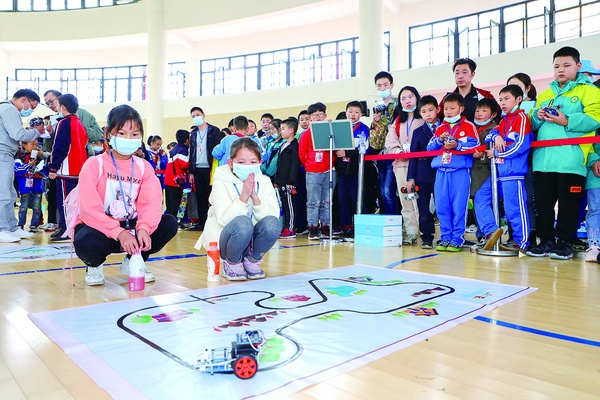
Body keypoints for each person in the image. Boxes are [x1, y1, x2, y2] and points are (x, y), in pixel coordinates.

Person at [73, 104, 178, 286]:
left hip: (133, 228)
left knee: (168, 223)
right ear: (108, 133)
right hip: (102, 230)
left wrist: (144, 228)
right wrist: (119, 233)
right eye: (121, 133)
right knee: (85, 239)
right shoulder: (94, 165)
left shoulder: (143, 166)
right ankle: (94, 265)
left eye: (135, 134)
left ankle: (133, 261)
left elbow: (151, 204)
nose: (128, 138)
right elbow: (89, 210)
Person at [527, 46, 600, 259]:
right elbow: (531, 124)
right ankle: (546, 241)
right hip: (543, 160)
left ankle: (565, 243)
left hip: (572, 158)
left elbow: (595, 118)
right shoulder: (545, 95)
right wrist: (537, 116)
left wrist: (566, 120)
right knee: (543, 203)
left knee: (569, 204)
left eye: (567, 65)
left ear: (578, 66)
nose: (561, 70)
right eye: (557, 66)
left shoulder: (590, 91)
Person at [194, 137, 280, 280]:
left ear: (260, 163)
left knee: (272, 223)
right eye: (241, 162)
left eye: (253, 162)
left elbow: (273, 215)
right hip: (227, 237)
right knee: (243, 222)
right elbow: (223, 219)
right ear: (230, 163)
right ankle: (231, 262)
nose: (247, 165)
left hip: (250, 238)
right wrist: (244, 197)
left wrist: (255, 198)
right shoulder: (221, 181)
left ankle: (251, 261)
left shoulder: (264, 181)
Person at [474, 85, 533, 252]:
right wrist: (497, 135)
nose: (503, 103)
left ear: (518, 99)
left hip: (512, 173)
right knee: (480, 198)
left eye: (507, 98)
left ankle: (521, 242)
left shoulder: (521, 118)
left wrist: (498, 153)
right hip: (497, 173)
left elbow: (521, 145)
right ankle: (491, 232)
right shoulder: (503, 120)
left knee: (514, 208)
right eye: (501, 99)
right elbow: (492, 134)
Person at [427, 93, 479, 252]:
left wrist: (456, 145)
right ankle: (445, 237)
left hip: (459, 172)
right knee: (442, 206)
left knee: (458, 206)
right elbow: (430, 148)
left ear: (461, 109)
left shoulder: (468, 126)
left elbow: (476, 147)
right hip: (441, 172)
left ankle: (457, 238)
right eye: (446, 109)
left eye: (452, 108)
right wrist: (438, 140)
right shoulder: (440, 127)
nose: (448, 112)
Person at [0, 89, 44, 242]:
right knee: (3, 193)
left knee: (10, 193)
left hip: (7, 155)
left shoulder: (8, 109)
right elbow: (18, 135)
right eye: (32, 106)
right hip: (2, 154)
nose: (30, 110)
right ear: (24, 99)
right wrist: (36, 132)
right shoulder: (9, 108)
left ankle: (12, 227)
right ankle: (2, 229)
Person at [385, 86, 425, 245]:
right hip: (401, 166)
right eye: (403, 98)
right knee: (406, 200)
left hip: (421, 166)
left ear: (416, 98)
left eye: (410, 97)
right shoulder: (396, 122)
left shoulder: (424, 118)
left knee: (422, 200)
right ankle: (412, 232)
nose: (407, 101)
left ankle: (426, 232)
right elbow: (390, 142)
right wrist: (398, 151)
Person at [48, 94, 88, 242]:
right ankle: (71, 227)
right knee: (75, 201)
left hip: (67, 171)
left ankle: (66, 228)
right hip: (79, 170)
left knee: (64, 201)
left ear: (63, 107)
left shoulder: (64, 123)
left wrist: (53, 167)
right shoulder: (79, 124)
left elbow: (59, 147)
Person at [507, 72, 538, 246]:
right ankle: (514, 234)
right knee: (512, 199)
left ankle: (530, 234)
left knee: (528, 198)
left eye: (517, 86)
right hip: (511, 162)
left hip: (530, 159)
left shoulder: (535, 107)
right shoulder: (505, 114)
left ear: (527, 89)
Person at [407, 95, 439, 249]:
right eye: (424, 111)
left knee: (443, 207)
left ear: (438, 110)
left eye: (431, 110)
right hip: (422, 176)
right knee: (424, 209)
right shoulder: (418, 131)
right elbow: (413, 156)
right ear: (420, 113)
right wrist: (410, 178)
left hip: (441, 173)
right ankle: (426, 238)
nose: (428, 114)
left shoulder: (446, 127)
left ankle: (448, 236)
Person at [335, 101, 370, 241]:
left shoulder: (364, 129)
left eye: (356, 112)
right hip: (342, 171)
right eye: (350, 111)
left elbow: (364, 149)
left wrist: (347, 153)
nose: (353, 115)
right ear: (346, 113)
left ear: (361, 114)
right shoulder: (340, 128)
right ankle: (346, 227)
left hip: (357, 171)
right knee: (343, 199)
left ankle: (360, 227)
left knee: (357, 199)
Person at [299, 102, 333, 240]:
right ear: (310, 117)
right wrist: (310, 165)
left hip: (329, 170)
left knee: (327, 201)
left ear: (325, 115)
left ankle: (326, 226)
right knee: (313, 201)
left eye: (320, 115)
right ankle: (313, 227)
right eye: (314, 115)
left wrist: (331, 165)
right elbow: (302, 154)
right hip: (313, 171)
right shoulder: (306, 134)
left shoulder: (330, 130)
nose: (318, 117)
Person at [189, 107, 224, 231]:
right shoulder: (193, 133)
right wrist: (191, 172)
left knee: (213, 195)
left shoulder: (213, 130)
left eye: (197, 115)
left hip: (210, 168)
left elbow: (218, 149)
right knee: (200, 196)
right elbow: (191, 152)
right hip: (197, 168)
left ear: (203, 115)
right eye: (193, 116)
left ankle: (214, 221)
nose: (196, 117)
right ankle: (201, 223)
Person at [470, 98, 499, 244]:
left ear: (493, 114)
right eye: (477, 110)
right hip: (475, 174)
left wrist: (483, 156)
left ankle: (490, 232)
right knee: (478, 203)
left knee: (481, 201)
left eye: (484, 110)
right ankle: (482, 236)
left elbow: (497, 152)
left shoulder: (495, 130)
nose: (479, 114)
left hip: (489, 173)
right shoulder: (471, 128)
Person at [369, 71, 399, 215]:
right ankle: (388, 222)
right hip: (380, 153)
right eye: (379, 85)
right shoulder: (377, 107)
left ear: (391, 85)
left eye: (385, 85)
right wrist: (376, 122)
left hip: (395, 154)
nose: (382, 88)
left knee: (388, 192)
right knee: (382, 192)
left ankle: (394, 222)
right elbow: (374, 138)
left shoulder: (399, 104)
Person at [43, 90, 103, 157]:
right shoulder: (51, 122)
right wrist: (49, 136)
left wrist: (79, 128)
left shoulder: (84, 114)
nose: (50, 105)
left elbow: (98, 135)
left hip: (84, 157)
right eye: (47, 104)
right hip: (64, 160)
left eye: (51, 102)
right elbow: (48, 149)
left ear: (60, 98)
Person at [438, 58, 496, 123]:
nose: (460, 76)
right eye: (457, 73)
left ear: (472, 74)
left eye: (464, 72)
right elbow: (437, 118)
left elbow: (498, 116)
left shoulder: (484, 95)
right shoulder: (447, 98)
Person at [274, 118, 301, 238]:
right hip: (281, 181)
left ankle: (290, 228)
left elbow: (295, 164)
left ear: (291, 130)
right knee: (284, 205)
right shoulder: (283, 145)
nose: (281, 131)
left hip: (289, 182)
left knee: (290, 205)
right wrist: (277, 180)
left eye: (283, 129)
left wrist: (291, 181)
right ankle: (285, 226)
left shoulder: (295, 145)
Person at [15, 139, 46, 232]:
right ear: (24, 145)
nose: (35, 147)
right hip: (25, 187)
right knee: (23, 207)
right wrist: (29, 165)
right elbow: (17, 170)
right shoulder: (19, 158)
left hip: (37, 187)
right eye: (32, 144)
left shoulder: (40, 158)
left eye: (36, 145)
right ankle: (20, 224)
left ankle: (34, 224)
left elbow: (44, 171)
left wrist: (39, 173)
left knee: (37, 207)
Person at [164, 129, 190, 218]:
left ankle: (169, 221)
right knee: (176, 203)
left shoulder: (173, 149)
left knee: (170, 203)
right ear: (187, 140)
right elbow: (184, 164)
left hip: (168, 180)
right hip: (176, 182)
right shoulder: (182, 150)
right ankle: (175, 222)